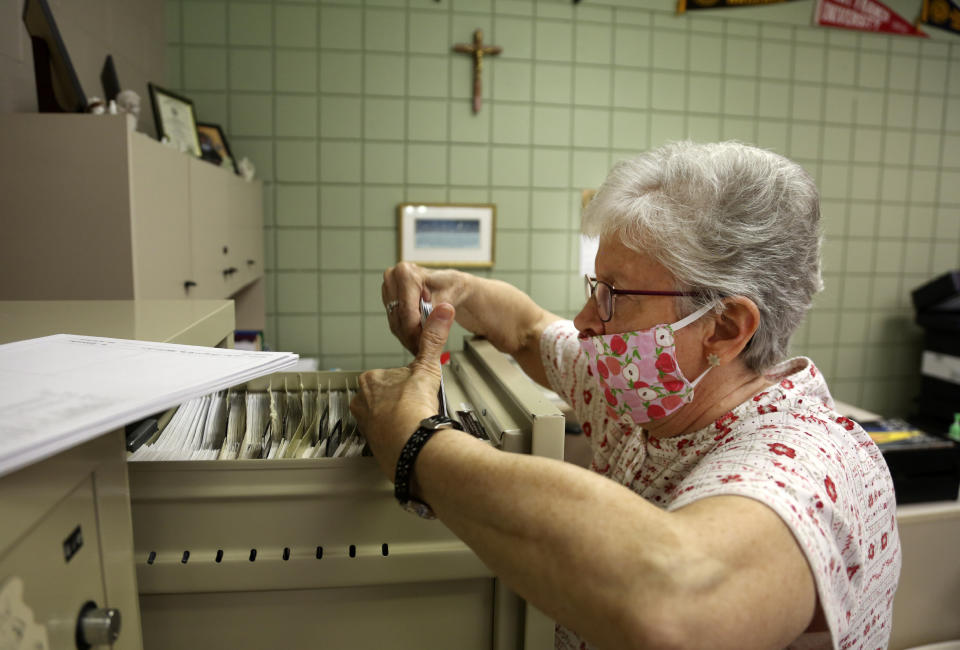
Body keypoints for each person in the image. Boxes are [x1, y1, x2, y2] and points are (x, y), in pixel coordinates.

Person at [350, 141, 900, 650]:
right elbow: (526, 330)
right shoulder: (639, 388)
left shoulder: (811, 460)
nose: (587, 319)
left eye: (615, 294)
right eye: (596, 287)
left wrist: (416, 443)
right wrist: (454, 291)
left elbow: (673, 605)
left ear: (725, 328)